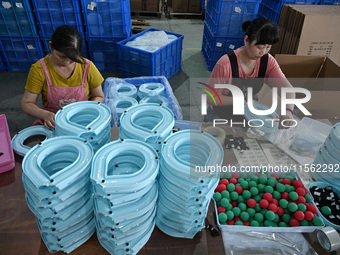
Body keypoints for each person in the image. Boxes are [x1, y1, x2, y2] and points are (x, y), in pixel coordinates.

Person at [206, 17, 295, 129]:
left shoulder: (268, 62)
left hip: (248, 114)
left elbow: (288, 89)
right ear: (246, 40)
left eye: (268, 47)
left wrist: (288, 111)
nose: (263, 52)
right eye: (259, 47)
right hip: (220, 114)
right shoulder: (226, 64)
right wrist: (237, 100)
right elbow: (209, 98)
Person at [21, 25, 105, 129]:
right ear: (51, 46)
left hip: (82, 119)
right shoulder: (39, 69)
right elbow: (27, 103)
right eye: (62, 56)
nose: (67, 62)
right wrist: (45, 115)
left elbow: (99, 96)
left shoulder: (87, 67)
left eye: (73, 58)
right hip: (53, 122)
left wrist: (85, 110)